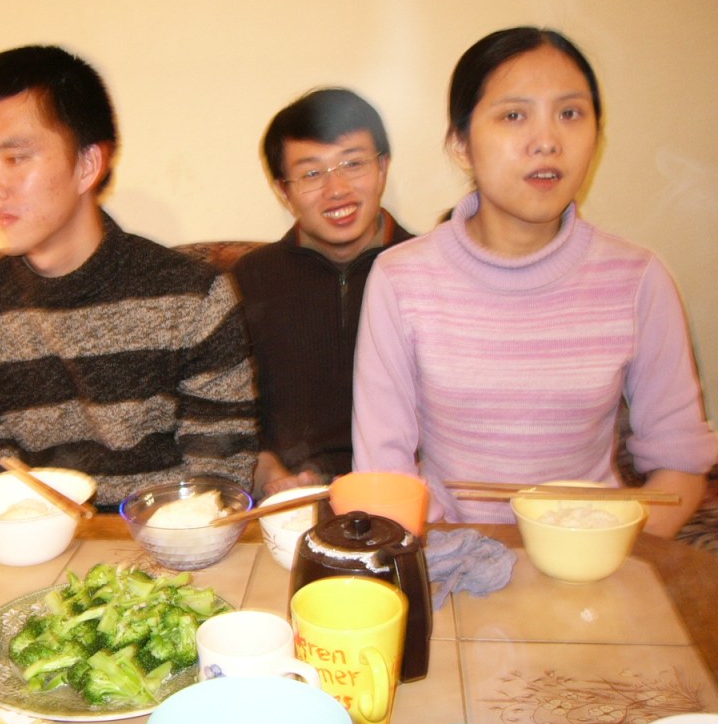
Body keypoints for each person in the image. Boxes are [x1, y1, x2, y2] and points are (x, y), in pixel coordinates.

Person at [352, 27, 718, 538]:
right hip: (452, 557)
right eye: (514, 115)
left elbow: (680, 467)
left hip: (594, 555)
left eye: (570, 114)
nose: (547, 141)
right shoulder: (401, 278)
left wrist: (605, 554)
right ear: (461, 144)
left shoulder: (638, 279)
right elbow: (383, 472)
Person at [0, 45, 258, 506]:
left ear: (87, 164)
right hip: (28, 539)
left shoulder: (193, 298)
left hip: (170, 537)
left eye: (16, 157)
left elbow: (218, 482)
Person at [232, 88, 412, 499]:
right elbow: (229, 410)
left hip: (404, 493)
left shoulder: (429, 270)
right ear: (284, 190)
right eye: (312, 174)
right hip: (289, 500)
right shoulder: (247, 280)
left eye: (353, 163)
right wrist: (267, 470)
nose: (337, 189)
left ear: (383, 167)